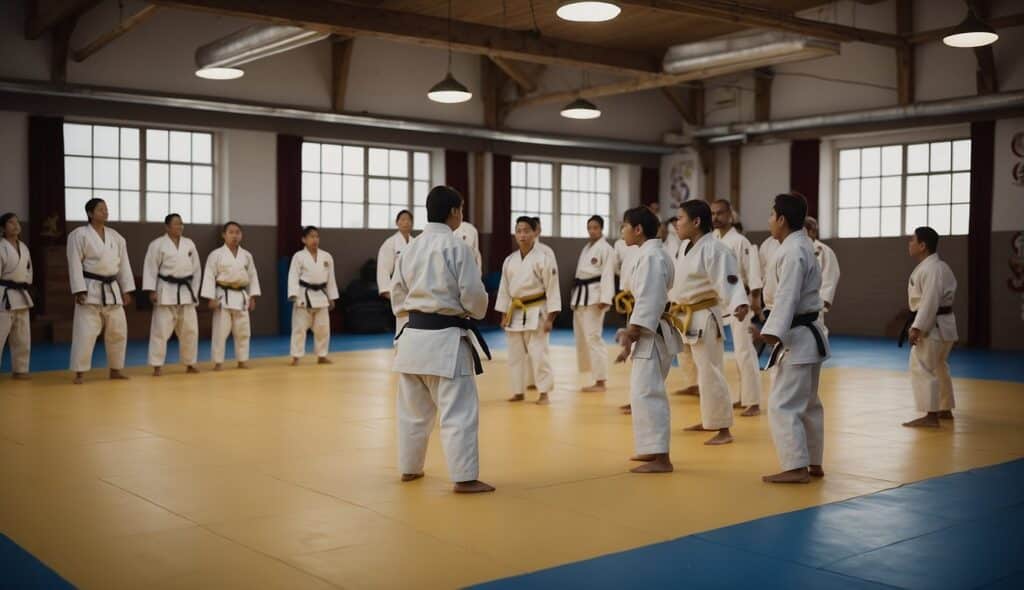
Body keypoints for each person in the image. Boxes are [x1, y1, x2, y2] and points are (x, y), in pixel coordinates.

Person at [391, 186, 494, 493]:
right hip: (446, 342)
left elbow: (397, 294)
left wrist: (412, 314)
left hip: (411, 342)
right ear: (454, 212)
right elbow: (474, 297)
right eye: (461, 209)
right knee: (458, 412)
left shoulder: (410, 247)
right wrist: (472, 311)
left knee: (412, 412)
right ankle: (464, 477)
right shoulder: (456, 247)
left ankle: (409, 468)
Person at [752, 193, 829, 484]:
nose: (769, 221)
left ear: (782, 219)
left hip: (797, 338)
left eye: (771, 216)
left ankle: (796, 467)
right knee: (808, 402)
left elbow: (787, 296)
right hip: (806, 337)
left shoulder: (793, 251)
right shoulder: (799, 246)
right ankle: (813, 462)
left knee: (783, 403)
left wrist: (772, 332)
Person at [671, 201, 749, 445]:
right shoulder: (686, 247)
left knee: (711, 371)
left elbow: (730, 278)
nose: (676, 223)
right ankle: (709, 420)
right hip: (686, 315)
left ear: (696, 222)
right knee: (698, 371)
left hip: (704, 316)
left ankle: (723, 428)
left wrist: (738, 303)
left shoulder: (715, 248)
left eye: (680, 218)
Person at [614, 206, 681, 473]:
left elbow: (650, 300)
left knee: (648, 392)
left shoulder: (652, 257)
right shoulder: (650, 254)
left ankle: (662, 458)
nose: (622, 231)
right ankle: (651, 449)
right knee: (641, 391)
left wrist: (632, 332)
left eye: (624, 226)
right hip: (651, 331)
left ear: (638, 229)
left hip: (651, 332)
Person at [67, 198, 135, 384]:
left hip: (112, 290)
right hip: (90, 288)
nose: (105, 212)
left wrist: (126, 289)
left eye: (106, 209)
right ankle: (79, 372)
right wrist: (79, 289)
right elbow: (74, 263)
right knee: (85, 332)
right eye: (100, 209)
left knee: (118, 331)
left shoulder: (117, 237)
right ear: (90, 213)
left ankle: (115, 369)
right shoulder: (79, 235)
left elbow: (124, 265)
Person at [495, 216, 561, 405]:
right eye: (519, 231)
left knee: (539, 353)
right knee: (515, 356)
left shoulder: (543, 259)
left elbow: (552, 290)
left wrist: (550, 318)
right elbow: (504, 290)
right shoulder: (509, 260)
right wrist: (503, 315)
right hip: (514, 312)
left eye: (526, 231)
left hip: (537, 311)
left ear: (534, 233)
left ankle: (544, 392)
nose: (522, 235)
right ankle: (518, 391)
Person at [901, 226, 958, 428]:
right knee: (939, 366)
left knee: (921, 366)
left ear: (923, 245)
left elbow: (930, 301)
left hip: (932, 326)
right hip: (944, 327)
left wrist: (917, 327)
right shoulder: (939, 266)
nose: (910, 243)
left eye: (912, 240)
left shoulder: (931, 269)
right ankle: (944, 408)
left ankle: (931, 415)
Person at [711, 199, 764, 417]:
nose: (715, 217)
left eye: (720, 213)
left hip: (738, 298)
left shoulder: (740, 241)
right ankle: (742, 397)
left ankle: (753, 402)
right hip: (718, 299)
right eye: (712, 213)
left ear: (730, 215)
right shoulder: (711, 240)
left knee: (744, 350)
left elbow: (752, 272)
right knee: (728, 354)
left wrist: (754, 298)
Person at [142, 213, 202, 376]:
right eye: (176, 224)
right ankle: (157, 365)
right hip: (165, 290)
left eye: (181, 223)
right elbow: (150, 268)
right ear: (167, 227)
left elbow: (196, 270)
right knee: (160, 329)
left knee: (190, 329)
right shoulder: (157, 245)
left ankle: (190, 363)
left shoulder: (189, 244)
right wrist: (151, 290)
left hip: (186, 292)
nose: (180, 226)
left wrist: (195, 293)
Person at [202, 221, 261, 371]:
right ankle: (218, 362)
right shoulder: (215, 255)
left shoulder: (247, 255)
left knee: (243, 331)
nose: (235, 236)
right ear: (224, 235)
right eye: (231, 232)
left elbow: (252, 276)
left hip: (241, 297)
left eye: (237, 232)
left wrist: (252, 296)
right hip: (223, 296)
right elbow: (209, 276)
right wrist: (210, 298)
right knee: (220, 332)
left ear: (241, 235)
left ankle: (242, 360)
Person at [571, 215, 616, 392]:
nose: (592, 231)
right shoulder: (587, 247)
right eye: (589, 227)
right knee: (583, 338)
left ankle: (601, 381)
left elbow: (608, 274)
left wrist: (606, 298)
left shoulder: (605, 248)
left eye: (595, 227)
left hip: (595, 297)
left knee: (594, 337)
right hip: (581, 296)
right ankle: (594, 376)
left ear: (601, 228)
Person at [288, 226, 339, 365]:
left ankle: (322, 355)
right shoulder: (298, 256)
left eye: (316, 236)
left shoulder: (326, 256)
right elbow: (293, 276)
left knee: (323, 328)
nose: (315, 239)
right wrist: (293, 294)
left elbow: (331, 278)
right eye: (311, 236)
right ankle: (296, 356)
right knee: (299, 328)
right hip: (304, 295)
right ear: (304, 239)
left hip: (321, 296)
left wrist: (332, 297)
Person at [0, 213, 32, 380]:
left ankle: (20, 369)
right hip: (3, 296)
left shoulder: (24, 247)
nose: (15, 225)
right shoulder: (1, 247)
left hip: (21, 295)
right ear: (3, 228)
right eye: (11, 223)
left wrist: (25, 283)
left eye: (17, 222)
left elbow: (28, 271)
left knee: (22, 336)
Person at [377, 210, 415, 334]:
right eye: (402, 219)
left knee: (416, 324)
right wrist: (386, 290)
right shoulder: (390, 243)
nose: (406, 222)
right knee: (403, 322)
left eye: (408, 220)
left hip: (415, 287)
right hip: (399, 288)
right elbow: (383, 268)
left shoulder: (417, 243)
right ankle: (401, 349)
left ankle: (413, 351)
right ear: (397, 223)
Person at [804, 217, 840, 337]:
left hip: (814, 303)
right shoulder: (794, 249)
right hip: (795, 303)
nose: (814, 233)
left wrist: (824, 301)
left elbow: (830, 277)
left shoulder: (824, 251)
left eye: (815, 230)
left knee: (816, 335)